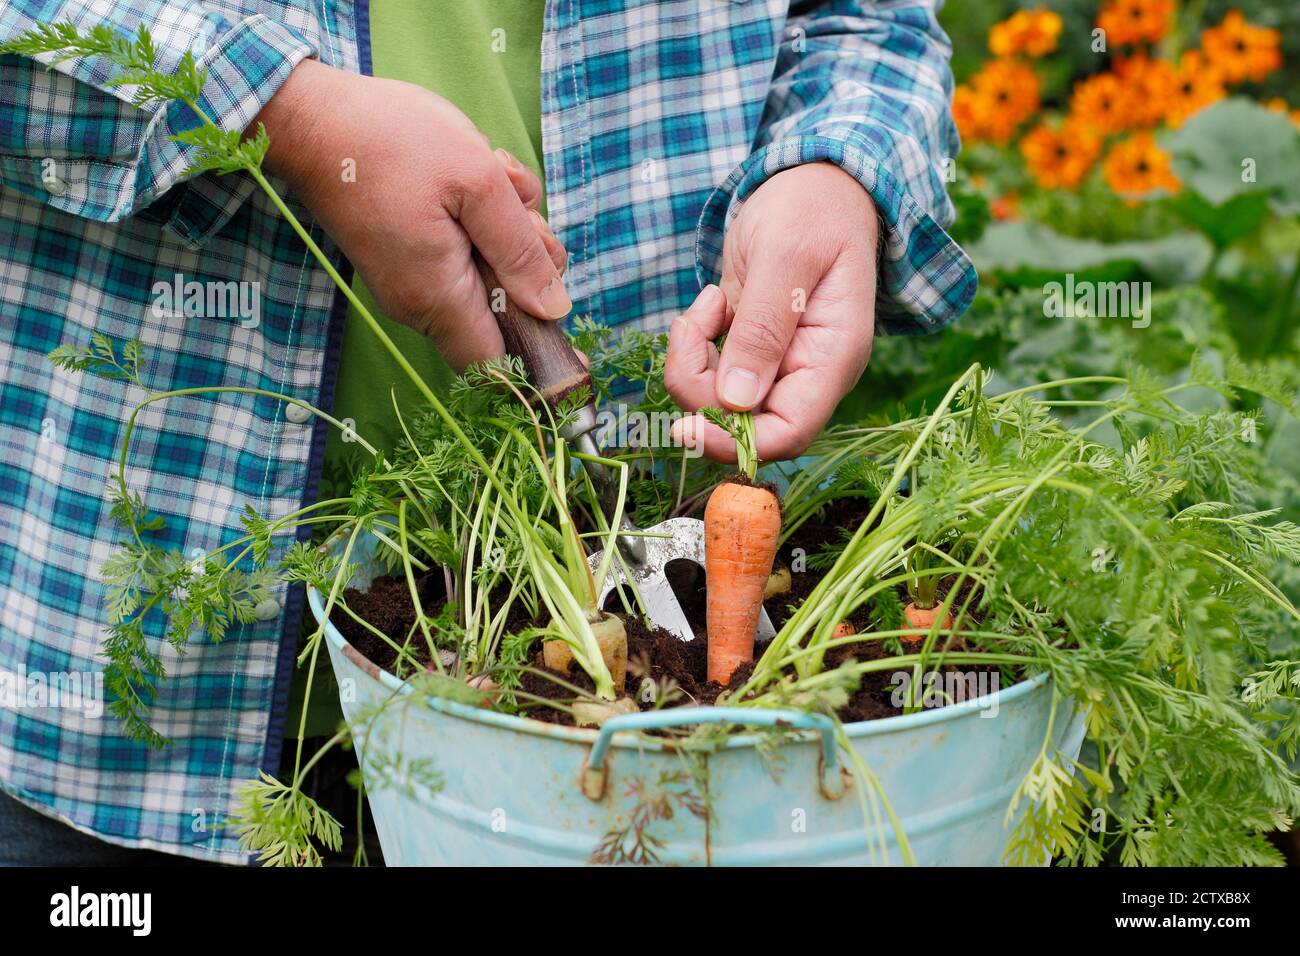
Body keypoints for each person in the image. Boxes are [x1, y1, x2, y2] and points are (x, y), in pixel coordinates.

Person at [0, 0, 974, 863]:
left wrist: (830, 165)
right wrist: (291, 115)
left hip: (640, 743)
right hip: (142, 707)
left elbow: (863, 23)